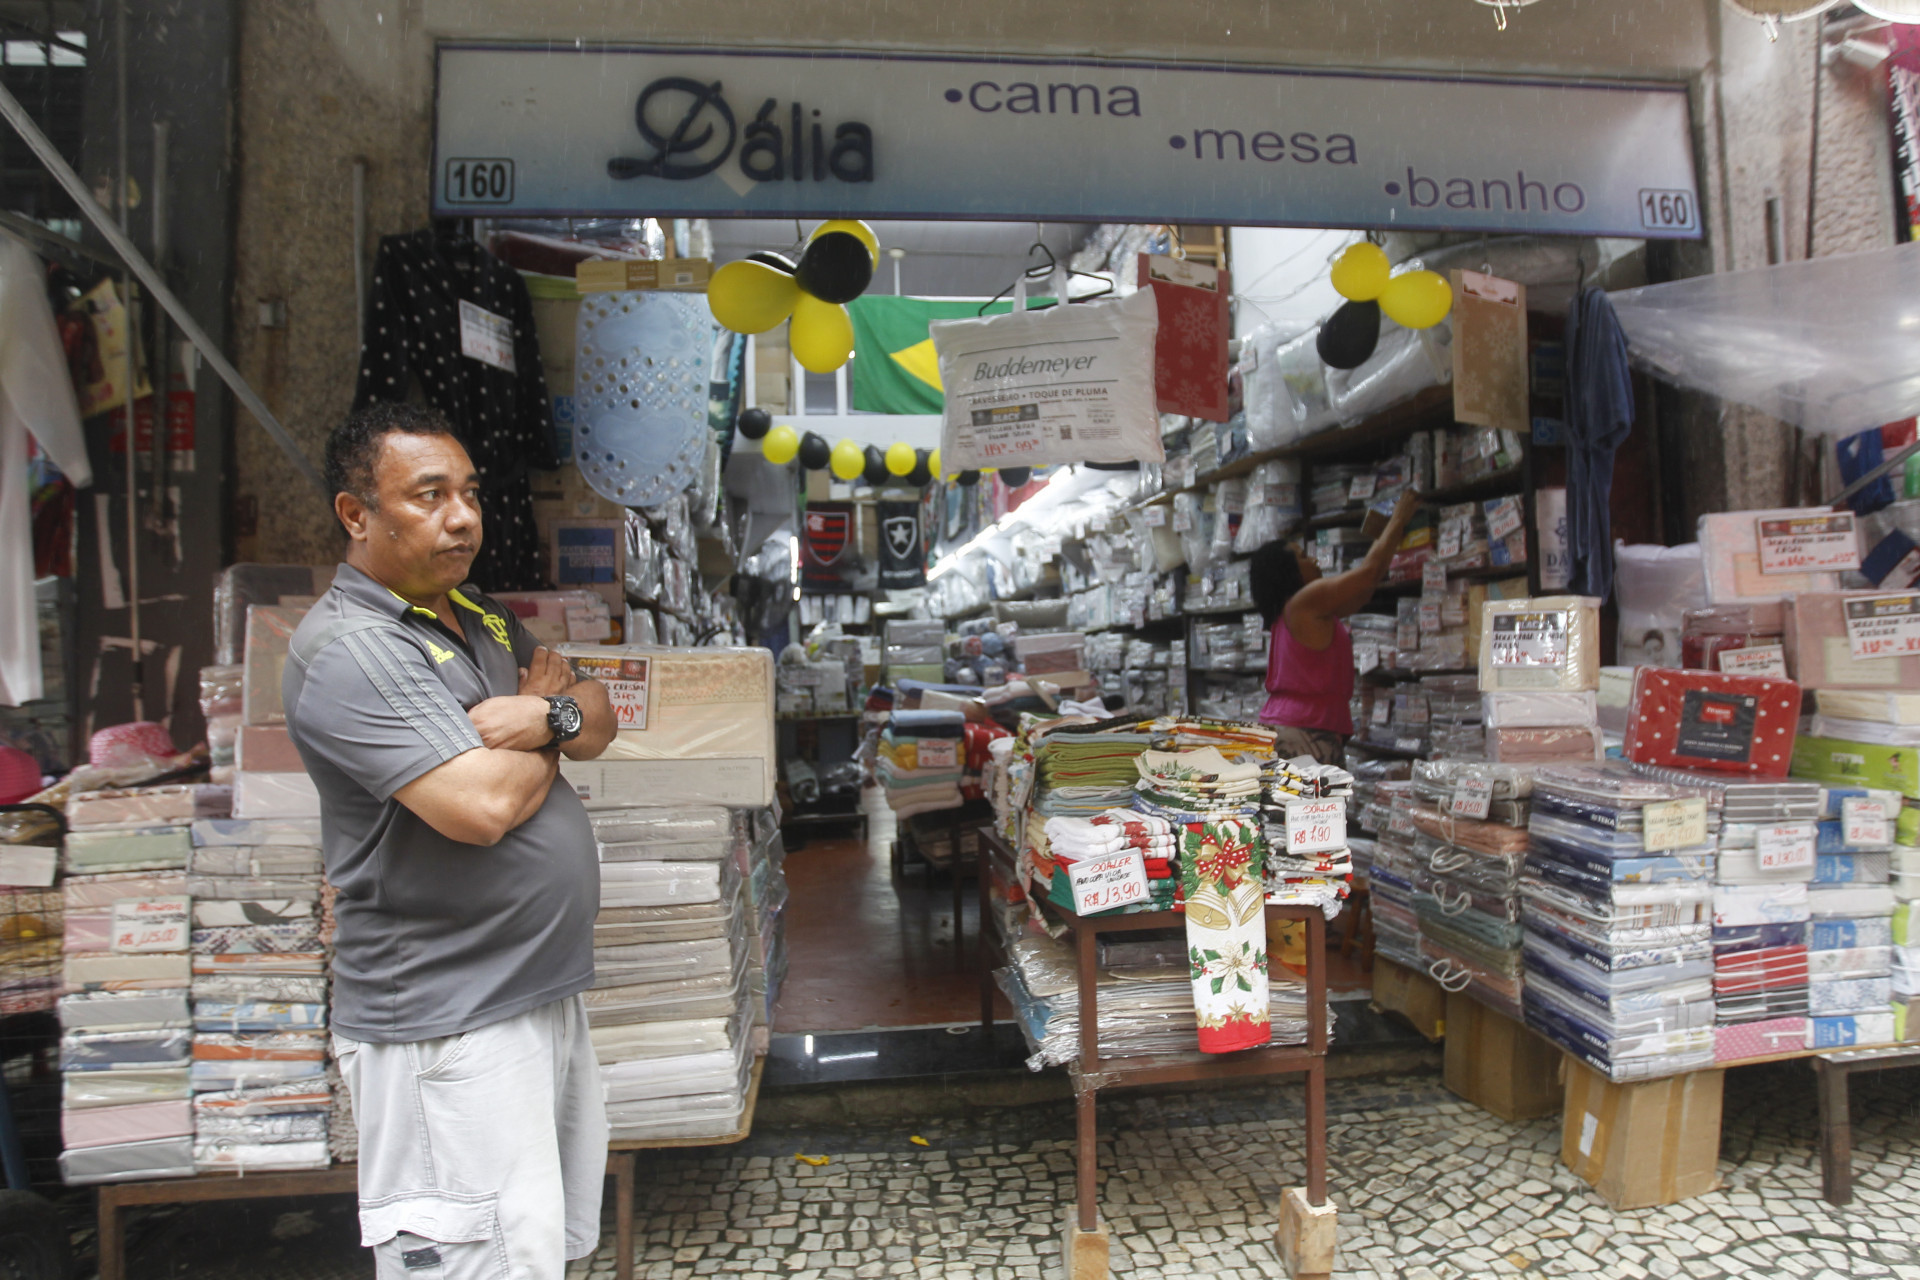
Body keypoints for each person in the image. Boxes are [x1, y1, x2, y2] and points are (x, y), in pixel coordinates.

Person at [283, 403, 618, 1280]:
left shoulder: (481, 616)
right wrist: (552, 724)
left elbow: (600, 712)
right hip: (447, 1025)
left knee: (537, 1253)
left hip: (529, 995)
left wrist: (544, 713)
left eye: (468, 493)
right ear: (357, 515)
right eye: (428, 496)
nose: (463, 516)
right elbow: (483, 807)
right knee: (482, 1262)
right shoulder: (355, 647)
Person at [1251, 490, 1422, 764]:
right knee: (1314, 807)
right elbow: (1366, 577)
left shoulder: (1295, 612)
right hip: (1303, 733)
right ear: (1288, 572)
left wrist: (1385, 535)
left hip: (1296, 728)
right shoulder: (1305, 602)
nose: (1315, 561)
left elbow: (1363, 592)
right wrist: (1398, 519)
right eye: (1304, 558)